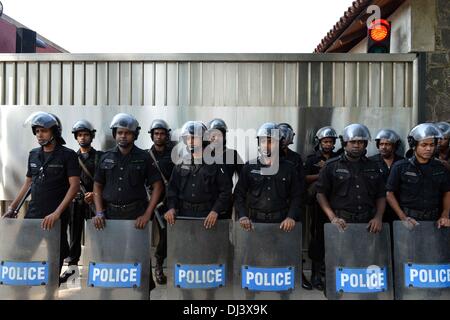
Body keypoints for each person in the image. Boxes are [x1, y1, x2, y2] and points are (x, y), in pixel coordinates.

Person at [4, 112, 80, 279]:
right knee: (20, 254)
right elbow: (28, 183)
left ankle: (51, 291)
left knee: (55, 258)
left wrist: (57, 213)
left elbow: (74, 186)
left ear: (54, 132)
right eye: (37, 131)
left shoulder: (68, 155)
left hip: (56, 216)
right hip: (33, 214)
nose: (39, 134)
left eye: (44, 130)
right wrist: (13, 208)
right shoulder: (33, 154)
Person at [93, 113, 164, 291]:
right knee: (110, 258)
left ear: (134, 135)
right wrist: (99, 212)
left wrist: (147, 214)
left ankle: (142, 293)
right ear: (115, 134)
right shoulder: (106, 157)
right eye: (119, 132)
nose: (123, 136)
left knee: (138, 258)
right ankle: (109, 293)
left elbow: (158, 186)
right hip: (111, 215)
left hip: (136, 216)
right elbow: (97, 186)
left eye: (127, 133)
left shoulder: (144, 157)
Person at [316, 123, 386, 233]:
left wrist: (378, 217)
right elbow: (320, 194)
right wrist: (333, 218)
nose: (357, 145)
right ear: (345, 143)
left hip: (368, 223)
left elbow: (381, 195)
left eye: (360, 142)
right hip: (341, 222)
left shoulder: (374, 166)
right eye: (352, 142)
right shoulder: (331, 166)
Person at [164, 121, 232, 226]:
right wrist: (171, 208)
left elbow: (226, 191)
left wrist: (215, 211)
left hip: (208, 217)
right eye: (187, 138)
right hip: (184, 215)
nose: (190, 141)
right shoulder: (180, 163)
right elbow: (172, 189)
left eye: (194, 138)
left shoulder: (216, 163)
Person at [386, 123, 450, 228]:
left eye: (432, 145)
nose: (429, 149)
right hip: (409, 220)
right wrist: (402, 217)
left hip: (434, 222)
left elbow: (447, 192)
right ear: (414, 146)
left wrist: (445, 215)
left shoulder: (440, 168)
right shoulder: (400, 167)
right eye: (424, 145)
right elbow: (389, 193)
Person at [277, 122, 311, 290]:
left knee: (293, 243)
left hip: (292, 207)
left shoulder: (295, 158)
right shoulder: (266, 156)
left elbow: (300, 184)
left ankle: (298, 273)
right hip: (274, 207)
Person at [304, 126, 339, 291]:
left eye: (331, 142)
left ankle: (331, 272)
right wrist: (323, 174)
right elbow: (304, 178)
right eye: (325, 141)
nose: (328, 144)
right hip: (318, 206)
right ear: (319, 142)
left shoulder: (339, 157)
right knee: (317, 238)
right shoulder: (312, 159)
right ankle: (316, 274)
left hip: (337, 204)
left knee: (335, 238)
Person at [147, 119, 175, 285]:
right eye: (156, 133)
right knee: (142, 233)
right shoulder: (145, 155)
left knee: (166, 235)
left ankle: (158, 264)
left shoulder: (174, 156)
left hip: (166, 201)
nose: (159, 136)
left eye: (162, 133)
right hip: (149, 201)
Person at [206, 118, 244, 219]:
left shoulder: (232, 154)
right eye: (213, 135)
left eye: (219, 135)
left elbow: (244, 179)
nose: (216, 138)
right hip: (206, 202)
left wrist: (234, 195)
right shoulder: (202, 155)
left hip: (224, 202)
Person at [368, 129, 404, 224]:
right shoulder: (370, 162)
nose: (383, 147)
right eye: (381, 144)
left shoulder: (403, 163)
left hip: (398, 208)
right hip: (376, 209)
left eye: (387, 144)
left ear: (394, 146)